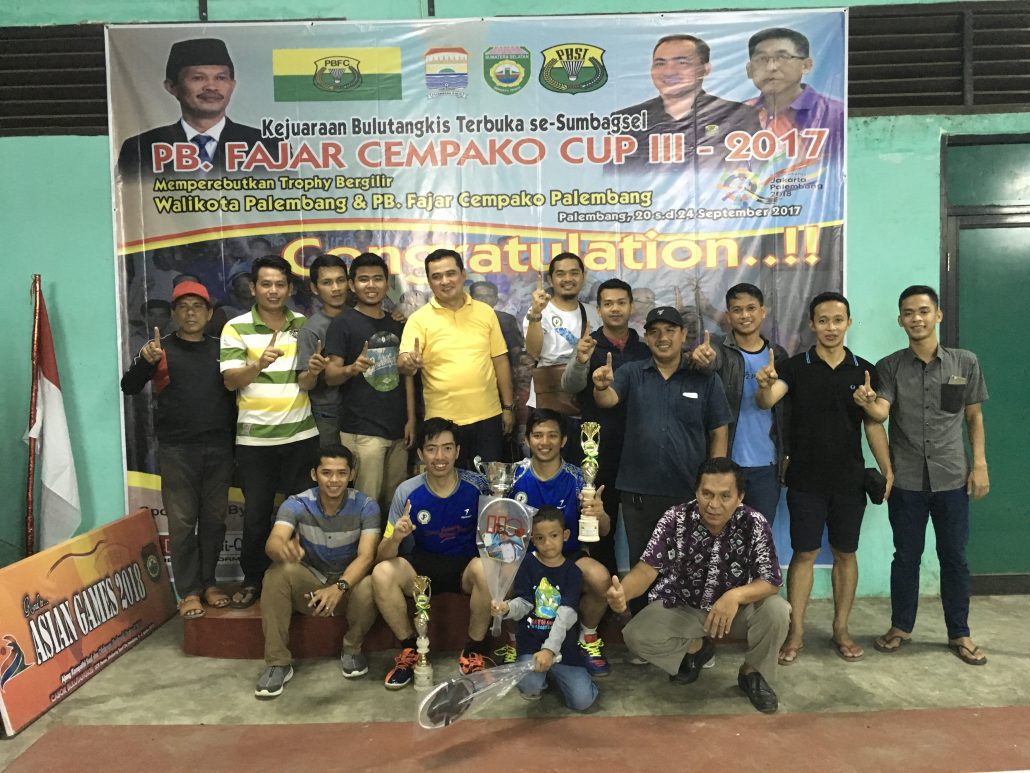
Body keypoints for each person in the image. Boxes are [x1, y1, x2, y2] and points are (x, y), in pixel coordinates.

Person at [855, 286, 990, 666]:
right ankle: (901, 626)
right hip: (907, 481)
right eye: (909, 313)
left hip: (952, 478)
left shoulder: (964, 363)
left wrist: (980, 464)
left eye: (924, 311)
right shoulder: (889, 366)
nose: (917, 318)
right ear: (900, 320)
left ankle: (960, 632)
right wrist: (868, 403)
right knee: (906, 557)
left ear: (938, 315)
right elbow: (880, 413)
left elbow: (974, 416)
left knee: (955, 558)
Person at [755, 291, 892, 665]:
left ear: (848, 323)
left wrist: (888, 468)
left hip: (849, 480)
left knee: (846, 553)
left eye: (838, 320)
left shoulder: (864, 370)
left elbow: (876, 421)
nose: (831, 327)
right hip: (805, 480)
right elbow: (767, 401)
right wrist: (765, 384)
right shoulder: (795, 367)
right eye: (823, 320)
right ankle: (796, 632)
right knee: (805, 554)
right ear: (812, 324)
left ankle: (841, 630)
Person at [606, 458, 789, 714]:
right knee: (636, 635)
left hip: (735, 613)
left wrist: (735, 596)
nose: (714, 504)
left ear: (740, 497)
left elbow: (771, 581)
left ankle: (752, 673)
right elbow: (647, 569)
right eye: (707, 494)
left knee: (777, 611)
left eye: (725, 496)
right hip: (684, 606)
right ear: (696, 492)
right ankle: (697, 648)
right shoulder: (675, 518)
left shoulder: (754, 523)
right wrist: (623, 593)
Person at [120, 281, 236, 619]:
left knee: (214, 521)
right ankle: (188, 592)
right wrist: (146, 362)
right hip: (177, 450)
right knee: (183, 524)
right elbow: (129, 386)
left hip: (219, 448)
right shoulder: (159, 349)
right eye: (183, 307)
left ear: (209, 313)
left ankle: (209, 583)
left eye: (197, 306)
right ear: (174, 314)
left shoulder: (223, 349)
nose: (190, 313)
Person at [593, 306, 731, 587]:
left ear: (683, 334)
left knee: (690, 568)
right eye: (654, 332)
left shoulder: (704, 377)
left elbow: (719, 430)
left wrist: (715, 481)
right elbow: (608, 400)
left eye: (670, 330)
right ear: (646, 338)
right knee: (642, 569)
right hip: (639, 494)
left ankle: (686, 616)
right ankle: (642, 616)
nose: (662, 337)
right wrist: (601, 386)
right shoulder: (631, 372)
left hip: (688, 491)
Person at [220, 255, 320, 609]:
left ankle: (303, 578)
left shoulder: (304, 324)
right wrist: (258, 364)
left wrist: (314, 372)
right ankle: (254, 579)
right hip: (255, 441)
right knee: (257, 515)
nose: (273, 291)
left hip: (301, 436)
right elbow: (230, 381)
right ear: (253, 288)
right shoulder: (235, 327)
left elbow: (306, 382)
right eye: (266, 284)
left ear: (290, 288)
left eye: (280, 284)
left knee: (304, 513)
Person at [371, 418, 494, 689]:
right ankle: (410, 650)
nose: (440, 457)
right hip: (422, 568)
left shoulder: (478, 486)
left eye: (447, 448)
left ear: (457, 451)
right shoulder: (407, 491)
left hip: (465, 567)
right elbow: (382, 556)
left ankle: (473, 650)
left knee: (488, 569)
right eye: (431, 449)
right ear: (420, 453)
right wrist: (397, 537)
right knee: (381, 573)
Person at [488, 409, 611, 675]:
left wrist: (600, 514)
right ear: (527, 439)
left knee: (601, 578)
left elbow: (603, 530)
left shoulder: (580, 477)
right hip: (524, 557)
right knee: (499, 576)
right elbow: (496, 529)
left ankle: (588, 638)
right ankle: (515, 642)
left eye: (552, 435)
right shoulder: (513, 476)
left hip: (567, 556)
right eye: (538, 435)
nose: (545, 442)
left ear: (563, 440)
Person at [254, 444, 381, 699]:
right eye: (326, 473)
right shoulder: (296, 504)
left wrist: (339, 587)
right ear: (314, 474)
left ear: (352, 474)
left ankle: (352, 649)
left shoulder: (367, 506)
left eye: (341, 473)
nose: (334, 480)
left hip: (347, 585)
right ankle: (278, 663)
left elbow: (367, 557)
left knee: (371, 582)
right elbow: (274, 541)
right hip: (310, 583)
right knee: (276, 574)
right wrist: (282, 550)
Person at [562, 278, 651, 576]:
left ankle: (643, 589)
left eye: (621, 303)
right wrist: (580, 361)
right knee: (598, 518)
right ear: (598, 309)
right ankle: (603, 587)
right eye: (608, 303)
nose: (615, 309)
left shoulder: (645, 347)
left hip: (638, 445)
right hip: (596, 447)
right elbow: (570, 386)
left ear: (631, 306)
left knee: (644, 523)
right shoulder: (588, 344)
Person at [398, 249, 515, 467]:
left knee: (488, 482)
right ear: (429, 282)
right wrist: (408, 362)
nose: (445, 281)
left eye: (450, 273)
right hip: (442, 423)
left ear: (462, 275)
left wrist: (508, 408)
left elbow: (500, 361)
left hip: (488, 417)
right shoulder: (418, 320)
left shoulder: (485, 312)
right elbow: (404, 362)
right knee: (449, 483)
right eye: (436, 277)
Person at [324, 252, 416, 520]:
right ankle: (363, 549)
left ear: (387, 283)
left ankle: (389, 550)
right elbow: (330, 375)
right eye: (363, 279)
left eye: (378, 279)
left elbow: (407, 374)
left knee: (395, 505)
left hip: (398, 429)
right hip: (362, 431)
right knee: (366, 506)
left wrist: (411, 419)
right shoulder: (342, 323)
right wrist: (351, 369)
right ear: (352, 285)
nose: (371, 285)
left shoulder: (397, 323)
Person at [691, 283, 789, 522]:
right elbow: (707, 364)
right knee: (719, 536)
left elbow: (783, 410)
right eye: (737, 310)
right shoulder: (718, 349)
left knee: (759, 537)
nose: (745, 315)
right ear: (728, 315)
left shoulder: (778, 355)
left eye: (751, 308)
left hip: (767, 466)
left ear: (763, 311)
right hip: (725, 465)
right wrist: (702, 360)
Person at [491, 507, 599, 711]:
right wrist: (506, 609)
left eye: (554, 536)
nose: (547, 543)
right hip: (531, 647)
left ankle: (563, 674)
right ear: (532, 540)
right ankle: (541, 677)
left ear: (565, 535)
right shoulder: (527, 564)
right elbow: (524, 603)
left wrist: (549, 650)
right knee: (530, 688)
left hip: (563, 650)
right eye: (540, 538)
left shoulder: (573, 572)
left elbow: (566, 616)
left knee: (583, 701)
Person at [117, 38, 275, 177]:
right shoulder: (140, 148)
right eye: (198, 78)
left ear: (232, 85)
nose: (211, 87)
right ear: (172, 87)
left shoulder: (268, 146)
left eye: (221, 78)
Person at [611, 34, 760, 173]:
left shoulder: (740, 115)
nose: (669, 72)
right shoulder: (627, 120)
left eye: (682, 63)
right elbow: (615, 179)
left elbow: (758, 174)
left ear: (705, 69)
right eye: (660, 63)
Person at [744, 27, 844, 157]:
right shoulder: (736, 115)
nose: (771, 67)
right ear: (749, 70)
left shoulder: (836, 115)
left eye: (782, 57)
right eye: (762, 59)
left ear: (806, 65)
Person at [524, 253, 589, 420]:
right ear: (550, 280)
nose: (568, 279)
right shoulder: (539, 312)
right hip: (548, 399)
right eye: (560, 274)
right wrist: (536, 313)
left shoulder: (592, 313)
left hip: (584, 396)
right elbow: (533, 352)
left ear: (583, 277)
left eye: (574, 273)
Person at [296, 254, 350, 447]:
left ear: (349, 283)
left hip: (362, 409)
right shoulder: (311, 329)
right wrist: (313, 372)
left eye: (340, 280)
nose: (336, 288)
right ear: (314, 288)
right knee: (331, 463)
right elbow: (304, 383)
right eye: (327, 282)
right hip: (329, 414)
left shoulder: (361, 317)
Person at [470, 279, 524, 376]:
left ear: (496, 300)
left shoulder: (506, 320)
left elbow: (516, 351)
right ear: (470, 298)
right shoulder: (462, 320)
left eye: (488, 296)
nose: (483, 300)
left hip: (502, 372)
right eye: (479, 296)